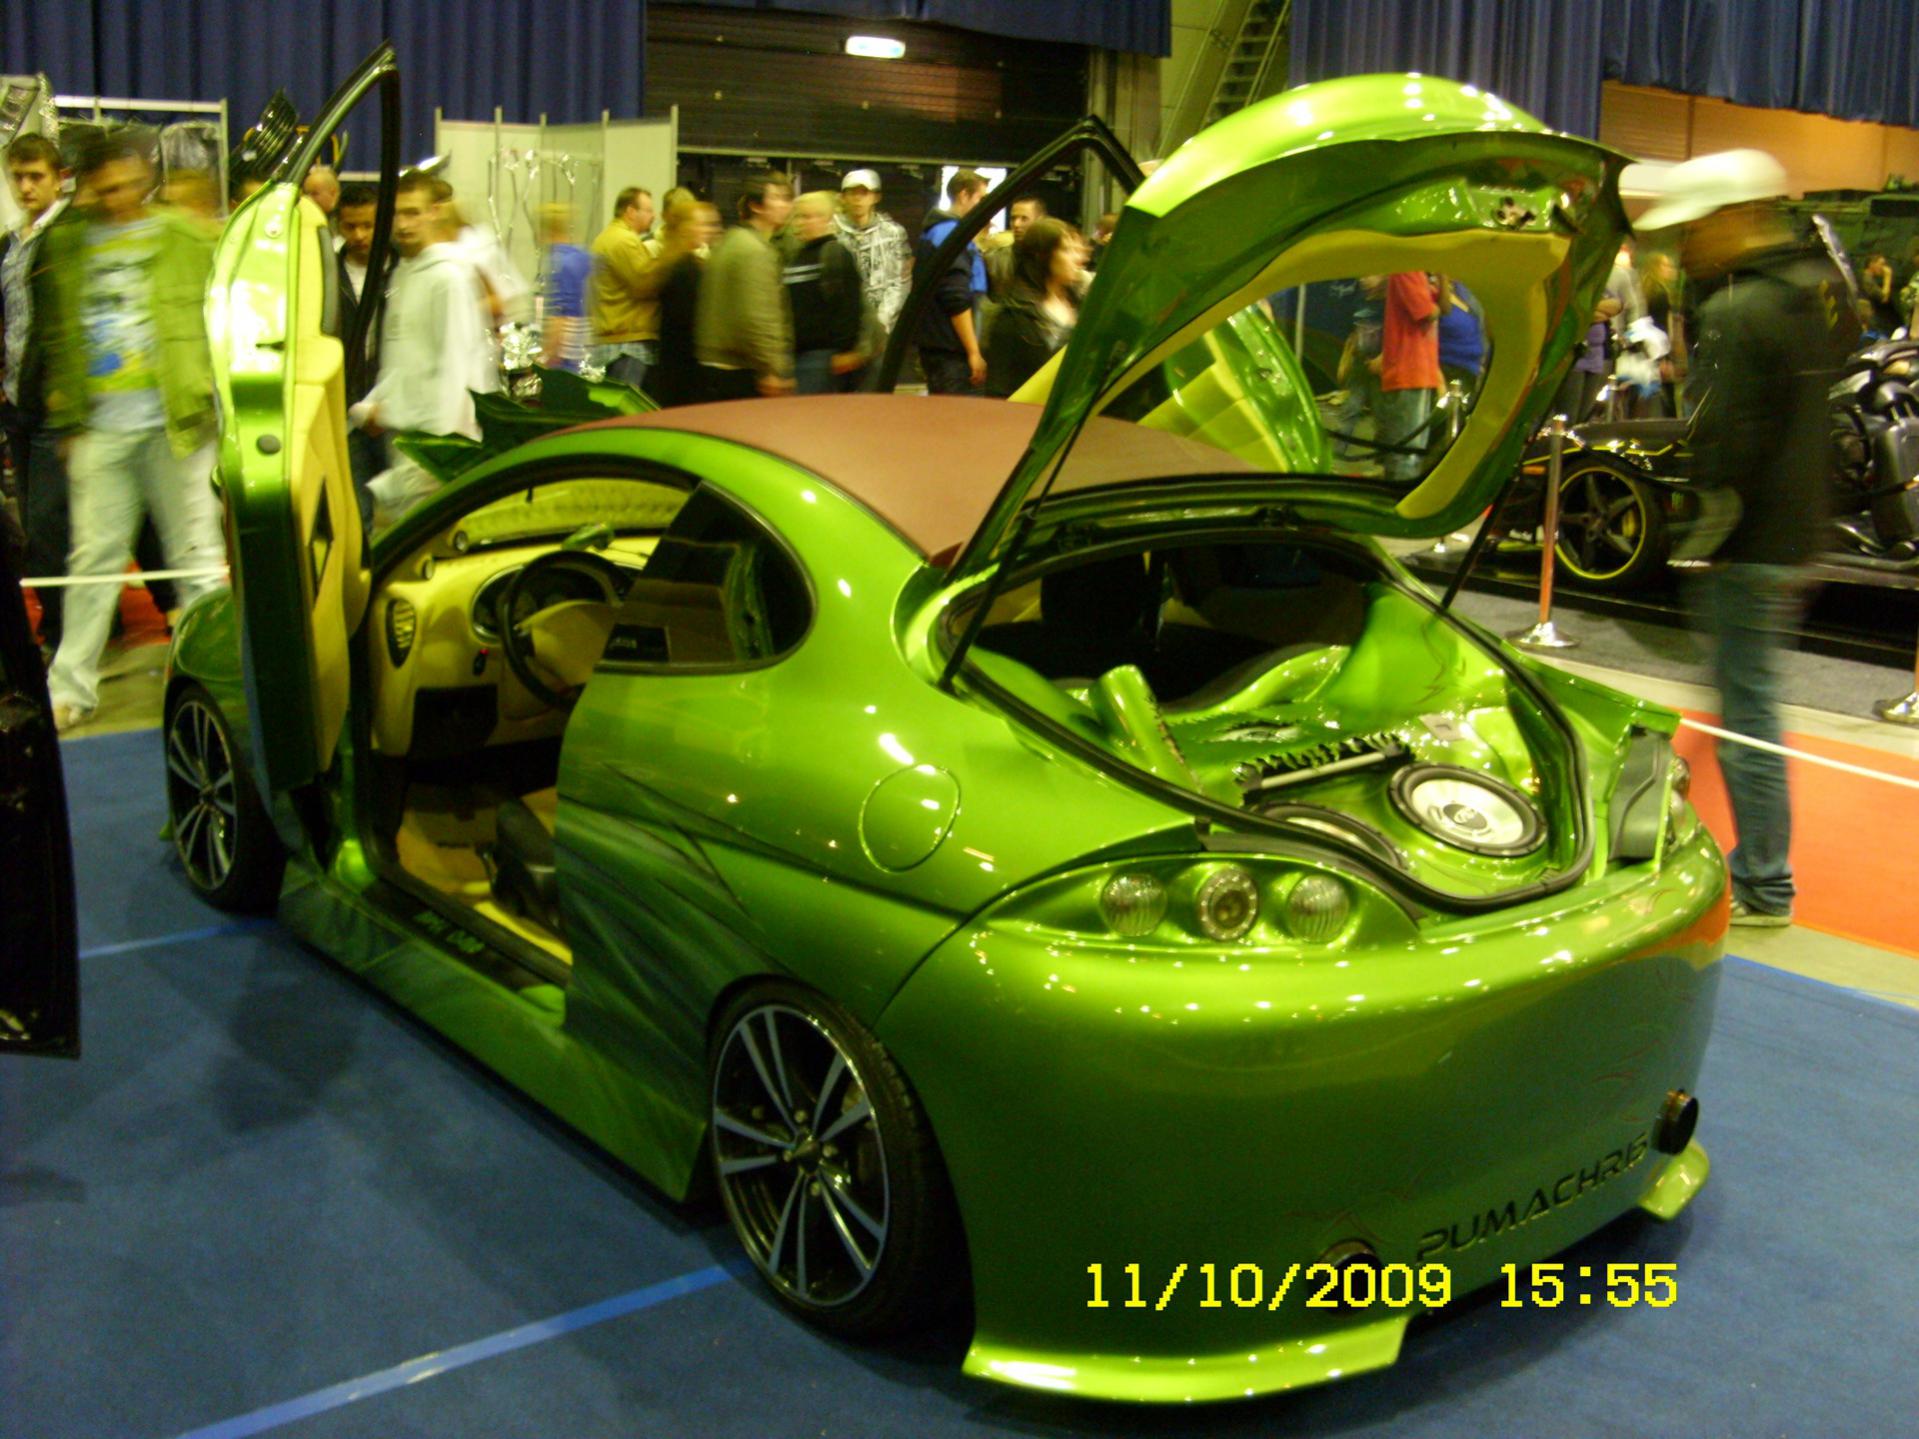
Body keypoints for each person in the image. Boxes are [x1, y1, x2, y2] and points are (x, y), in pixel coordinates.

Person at [1633, 148, 1847, 926]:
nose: (1687, 245)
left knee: (1747, 713)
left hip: (1744, 540)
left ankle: (1762, 879)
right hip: (1794, 533)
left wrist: (1693, 534)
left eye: (1693, 228)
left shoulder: (1735, 310)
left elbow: (1717, 437)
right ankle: (1753, 865)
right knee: (1742, 698)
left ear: (1732, 217)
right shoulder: (1813, 291)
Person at [38, 133, 227, 731]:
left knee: (197, 557)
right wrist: (67, 415)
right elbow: (59, 334)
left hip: (181, 423)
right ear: (89, 186)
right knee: (92, 560)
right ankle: (69, 689)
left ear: (145, 177)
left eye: (127, 185)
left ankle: (210, 680)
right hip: (100, 428)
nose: (118, 198)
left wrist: (214, 390)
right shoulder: (67, 242)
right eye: (106, 189)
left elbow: (221, 313)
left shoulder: (185, 236)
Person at [351, 169, 497, 521]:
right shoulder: (403, 273)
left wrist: (443, 451)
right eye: (396, 214)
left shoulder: (448, 278)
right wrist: (377, 405)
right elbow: (404, 359)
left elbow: (458, 369)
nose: (402, 225)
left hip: (436, 447)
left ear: (433, 212)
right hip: (406, 442)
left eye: (412, 213)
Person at [2, 133, 72, 655]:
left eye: (35, 177)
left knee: (49, 524)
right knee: (32, 521)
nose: (26, 187)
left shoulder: (67, 236)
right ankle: (63, 623)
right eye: (18, 178)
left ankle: (61, 632)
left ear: (58, 178)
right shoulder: (10, 244)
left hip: (55, 403)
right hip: (15, 401)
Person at [696, 172, 795, 401]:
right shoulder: (755, 251)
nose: (786, 205)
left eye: (788, 199)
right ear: (756, 205)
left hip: (716, 363)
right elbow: (758, 315)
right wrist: (773, 367)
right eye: (777, 198)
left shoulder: (730, 240)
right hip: (740, 369)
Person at [984, 217, 1083, 397]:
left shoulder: (1081, 305)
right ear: (1043, 256)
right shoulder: (1013, 316)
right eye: (1067, 250)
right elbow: (999, 388)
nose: (1078, 259)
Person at [912, 168, 989, 393]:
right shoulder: (949, 234)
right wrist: (973, 352)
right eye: (981, 199)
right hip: (951, 351)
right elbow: (955, 297)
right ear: (963, 195)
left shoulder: (938, 231)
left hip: (943, 346)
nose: (985, 207)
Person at [784, 192, 865, 395]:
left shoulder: (835, 254)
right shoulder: (797, 255)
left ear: (825, 219)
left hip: (824, 358)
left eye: (808, 216)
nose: (801, 223)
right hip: (798, 356)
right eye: (798, 216)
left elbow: (849, 305)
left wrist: (846, 350)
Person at [334, 182, 384, 509]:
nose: (360, 235)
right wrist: (352, 405)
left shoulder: (399, 271)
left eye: (368, 225)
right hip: (346, 411)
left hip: (395, 410)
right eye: (350, 226)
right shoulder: (327, 276)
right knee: (355, 511)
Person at [588, 186, 663, 389]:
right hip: (626, 344)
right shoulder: (624, 241)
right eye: (648, 210)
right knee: (624, 402)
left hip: (613, 338)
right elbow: (647, 284)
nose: (654, 216)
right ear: (630, 211)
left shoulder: (608, 237)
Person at [650, 199, 720, 407]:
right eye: (701, 224)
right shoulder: (686, 269)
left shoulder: (671, 261)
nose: (707, 230)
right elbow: (692, 319)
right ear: (684, 228)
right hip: (686, 365)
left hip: (672, 362)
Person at [1375, 271, 1441, 482]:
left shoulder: (1421, 274)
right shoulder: (1408, 270)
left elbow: (1442, 304)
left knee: (1411, 449)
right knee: (1408, 452)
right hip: (1409, 371)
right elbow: (1426, 312)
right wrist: (1436, 308)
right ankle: (1400, 494)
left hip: (1419, 372)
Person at [834, 168, 910, 343]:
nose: (858, 198)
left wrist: (881, 322)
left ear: (876, 197)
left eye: (864, 193)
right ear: (843, 197)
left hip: (882, 326)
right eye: (852, 193)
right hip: (842, 327)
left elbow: (901, 281)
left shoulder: (893, 233)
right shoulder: (832, 231)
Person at [539, 202, 592, 372]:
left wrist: (549, 353)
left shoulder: (558, 263)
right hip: (584, 347)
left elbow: (560, 314)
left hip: (565, 354)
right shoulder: (582, 256)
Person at [986, 195, 1045, 298]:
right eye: (1013, 218)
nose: (1016, 224)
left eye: (1024, 219)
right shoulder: (994, 260)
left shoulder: (1051, 260)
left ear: (1039, 221)